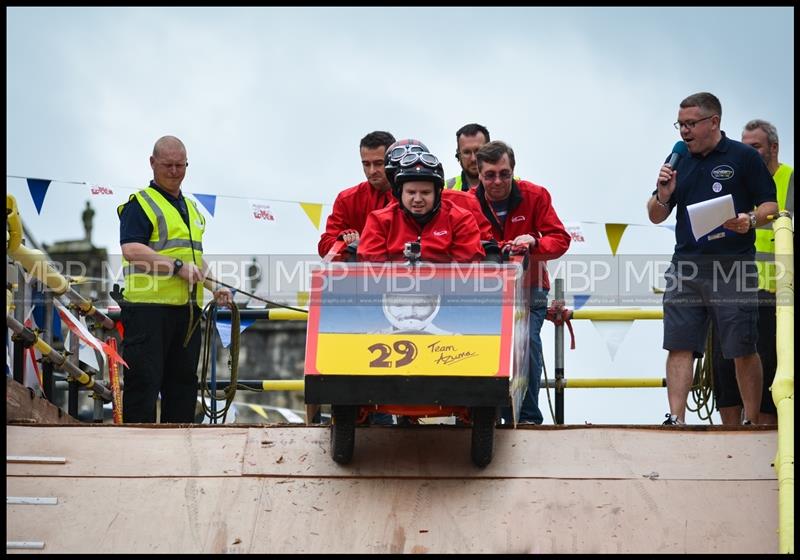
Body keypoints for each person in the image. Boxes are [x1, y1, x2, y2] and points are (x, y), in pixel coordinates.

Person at [646, 93, 777, 425]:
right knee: (679, 344)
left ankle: (750, 419)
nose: (684, 132)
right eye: (681, 124)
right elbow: (655, 215)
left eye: (691, 124)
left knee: (742, 347)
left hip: (732, 265)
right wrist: (662, 193)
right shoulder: (677, 160)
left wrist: (749, 219)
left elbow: (770, 207)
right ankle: (675, 418)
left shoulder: (744, 157)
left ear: (714, 122)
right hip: (686, 266)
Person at [117, 135, 232, 423]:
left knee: (182, 389)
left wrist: (215, 286)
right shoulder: (140, 204)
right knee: (143, 387)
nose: (174, 171)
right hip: (148, 313)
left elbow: (194, 258)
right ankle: (137, 458)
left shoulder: (191, 208)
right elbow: (131, 250)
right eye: (167, 164)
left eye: (180, 165)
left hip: (186, 313)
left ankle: (178, 455)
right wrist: (176, 266)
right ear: (152, 163)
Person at [472, 140, 571, 425]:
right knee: (484, 346)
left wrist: (535, 242)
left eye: (504, 173)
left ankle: (528, 417)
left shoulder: (536, 195)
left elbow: (560, 239)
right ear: (478, 174)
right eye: (490, 175)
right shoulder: (466, 201)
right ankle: (486, 416)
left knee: (527, 340)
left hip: (530, 288)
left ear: (513, 170)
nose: (498, 180)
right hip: (485, 289)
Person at [711, 119, 793, 425]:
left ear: (774, 148)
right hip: (731, 288)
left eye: (755, 147)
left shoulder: (791, 181)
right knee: (723, 365)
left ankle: (765, 435)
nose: (749, 153)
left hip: (776, 298)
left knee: (773, 368)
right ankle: (730, 437)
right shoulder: (732, 184)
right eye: (744, 147)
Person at [358, 149, 485, 263]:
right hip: (390, 289)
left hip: (446, 288)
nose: (417, 199)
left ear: (438, 193)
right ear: (399, 192)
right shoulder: (379, 221)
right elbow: (372, 274)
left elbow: (466, 273)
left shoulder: (461, 220)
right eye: (411, 192)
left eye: (425, 192)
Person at [317, 131, 396, 258]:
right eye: (366, 164)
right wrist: (342, 240)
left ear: (393, 160)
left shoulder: (414, 196)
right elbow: (324, 247)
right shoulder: (346, 199)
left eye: (378, 163)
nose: (372, 171)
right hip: (360, 276)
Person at [445, 123, 490, 192]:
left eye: (478, 151)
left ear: (490, 150)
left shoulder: (511, 184)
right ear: (458, 155)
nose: (473, 159)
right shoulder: (445, 190)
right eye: (467, 152)